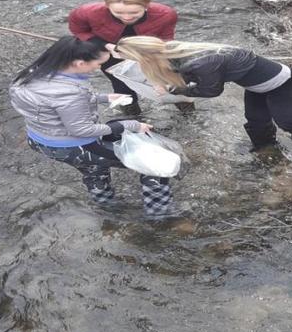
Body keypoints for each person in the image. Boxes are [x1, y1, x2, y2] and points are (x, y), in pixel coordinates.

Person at [9, 37, 180, 219]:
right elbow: (81, 130)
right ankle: (160, 216)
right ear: (79, 63)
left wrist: (103, 98)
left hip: (41, 140)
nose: (99, 68)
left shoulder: (32, 75)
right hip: (76, 146)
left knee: (94, 167)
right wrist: (131, 125)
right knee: (156, 165)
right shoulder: (70, 93)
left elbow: (52, 104)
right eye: (98, 63)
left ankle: (107, 208)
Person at [111, 37, 292, 166]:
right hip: (258, 87)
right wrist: (171, 84)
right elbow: (186, 74)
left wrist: (176, 89)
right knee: (256, 121)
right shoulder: (171, 49)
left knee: (291, 123)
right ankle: (266, 149)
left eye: (133, 59)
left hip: (289, 85)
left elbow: (211, 91)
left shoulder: (200, 63)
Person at [68, 0, 180, 115]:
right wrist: (106, 46)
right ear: (107, 6)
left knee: (171, 82)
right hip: (110, 49)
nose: (126, 17)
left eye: (134, 12)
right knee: (121, 84)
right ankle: (133, 119)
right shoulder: (86, 12)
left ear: (146, 6)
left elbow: (165, 40)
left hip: (148, 48)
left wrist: (154, 68)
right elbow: (79, 31)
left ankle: (187, 113)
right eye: (118, 12)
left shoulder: (165, 14)